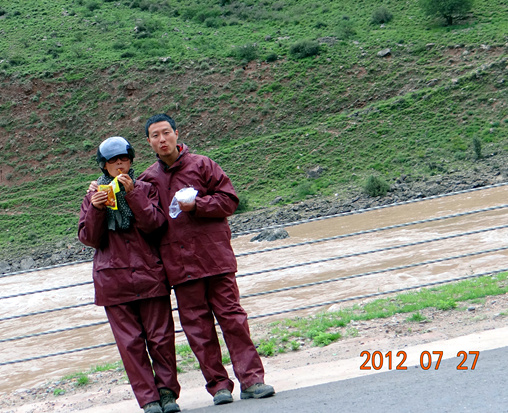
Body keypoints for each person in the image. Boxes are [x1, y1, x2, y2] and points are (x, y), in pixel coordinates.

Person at [138, 114, 275, 406]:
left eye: (166, 133)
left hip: (215, 259)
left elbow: (229, 200)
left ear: (177, 133)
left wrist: (197, 205)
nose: (162, 140)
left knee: (234, 319)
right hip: (180, 267)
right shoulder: (148, 180)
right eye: (155, 136)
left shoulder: (202, 165)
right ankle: (218, 387)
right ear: (149, 142)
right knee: (198, 330)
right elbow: (149, 225)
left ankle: (252, 380)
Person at [78, 136, 181, 413]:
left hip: (149, 276)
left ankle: (168, 394)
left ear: (131, 160)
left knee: (161, 339)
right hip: (113, 282)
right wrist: (96, 209)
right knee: (130, 344)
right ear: (104, 166)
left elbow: (156, 225)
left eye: (123, 159)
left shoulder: (146, 188)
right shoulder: (93, 195)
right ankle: (148, 400)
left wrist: (133, 193)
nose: (120, 165)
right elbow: (89, 238)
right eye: (113, 161)